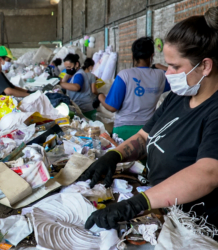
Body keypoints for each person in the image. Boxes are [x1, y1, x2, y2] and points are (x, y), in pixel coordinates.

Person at [81, 7, 218, 230]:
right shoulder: (177, 97)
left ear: (205, 66)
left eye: (174, 66)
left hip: (196, 228)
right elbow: (145, 137)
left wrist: (138, 203)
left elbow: (208, 173)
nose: (167, 73)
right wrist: (114, 156)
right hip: (163, 213)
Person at [92, 37, 170, 140]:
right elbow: (179, 77)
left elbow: (112, 107)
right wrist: (160, 66)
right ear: (152, 55)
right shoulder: (160, 76)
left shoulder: (124, 75)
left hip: (124, 130)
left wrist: (100, 96)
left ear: (133, 56)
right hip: (148, 130)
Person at [60, 53, 95, 120]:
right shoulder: (75, 73)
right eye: (66, 67)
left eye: (69, 67)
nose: (68, 69)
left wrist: (61, 84)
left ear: (76, 64)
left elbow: (76, 87)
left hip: (85, 109)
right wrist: (67, 72)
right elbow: (64, 82)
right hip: (83, 107)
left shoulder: (79, 75)